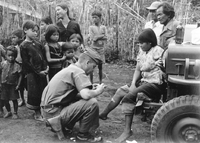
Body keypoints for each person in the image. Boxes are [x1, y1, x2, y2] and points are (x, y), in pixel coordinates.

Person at [100, 28, 166, 142]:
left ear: (150, 42)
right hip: (144, 81)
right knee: (121, 91)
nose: (140, 45)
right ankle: (103, 114)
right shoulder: (142, 51)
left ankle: (127, 131)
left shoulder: (158, 51)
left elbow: (164, 69)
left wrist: (160, 66)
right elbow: (137, 69)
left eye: (142, 43)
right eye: (139, 43)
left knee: (129, 98)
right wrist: (133, 84)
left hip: (155, 84)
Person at [41, 48, 105, 142]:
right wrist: (98, 91)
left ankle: (66, 127)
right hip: (54, 115)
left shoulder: (71, 68)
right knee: (92, 103)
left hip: (48, 113)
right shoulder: (79, 72)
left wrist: (90, 89)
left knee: (82, 99)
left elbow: (68, 94)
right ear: (87, 63)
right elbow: (86, 95)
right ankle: (83, 135)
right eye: (93, 67)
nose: (92, 71)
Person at [20, 20, 49, 121]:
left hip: (42, 72)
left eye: (37, 31)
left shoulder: (38, 43)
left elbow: (44, 57)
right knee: (34, 92)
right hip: (33, 73)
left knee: (43, 90)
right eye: (33, 31)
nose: (35, 33)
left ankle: (42, 110)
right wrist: (37, 72)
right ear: (25, 30)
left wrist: (45, 68)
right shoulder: (23, 45)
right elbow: (26, 62)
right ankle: (36, 113)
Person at [1, 46, 22, 119]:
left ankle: (15, 113)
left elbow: (20, 76)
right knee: (5, 99)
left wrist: (18, 85)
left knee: (14, 99)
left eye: (12, 56)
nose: (10, 57)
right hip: (4, 85)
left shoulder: (17, 66)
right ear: (5, 55)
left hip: (13, 85)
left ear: (15, 56)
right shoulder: (2, 64)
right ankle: (9, 111)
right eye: (9, 55)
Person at [88, 10, 107, 84]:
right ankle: (91, 83)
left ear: (99, 18)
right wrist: (102, 36)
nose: (94, 19)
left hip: (101, 49)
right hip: (93, 49)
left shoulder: (103, 27)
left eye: (95, 17)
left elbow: (106, 37)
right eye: (92, 17)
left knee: (100, 67)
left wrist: (99, 37)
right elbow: (93, 38)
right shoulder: (91, 27)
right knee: (91, 67)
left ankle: (100, 82)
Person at [11, 29, 26, 107]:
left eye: (14, 37)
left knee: (27, 85)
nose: (12, 39)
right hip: (18, 66)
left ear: (20, 37)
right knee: (20, 85)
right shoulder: (15, 47)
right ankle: (22, 99)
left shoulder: (24, 45)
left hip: (25, 67)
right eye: (12, 38)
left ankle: (29, 100)